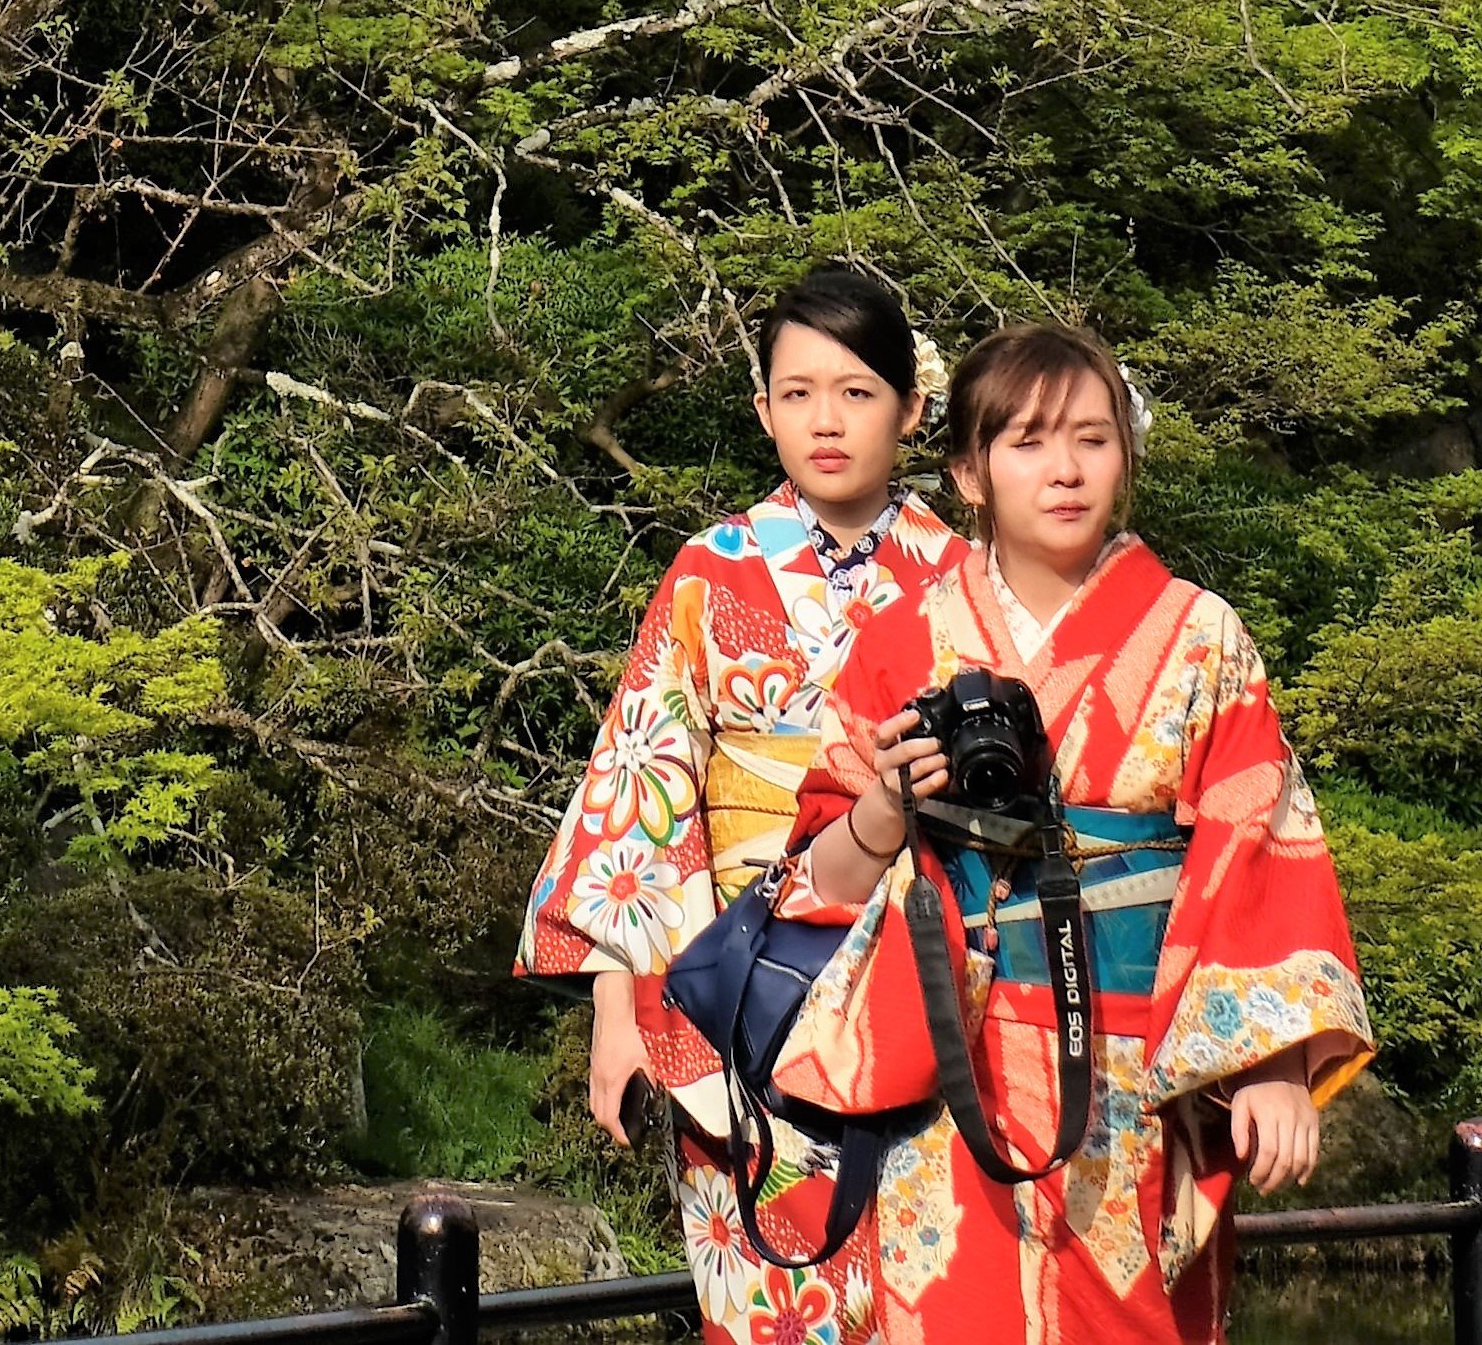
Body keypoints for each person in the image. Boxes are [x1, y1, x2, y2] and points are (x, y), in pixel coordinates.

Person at [778, 314, 1369, 1345]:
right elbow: (820, 877)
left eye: (1093, 439)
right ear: (969, 470)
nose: (1065, 470)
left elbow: (1260, 849)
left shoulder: (1199, 635)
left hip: (1140, 1065)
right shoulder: (904, 638)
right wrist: (882, 807)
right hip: (949, 1063)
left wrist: (1273, 1067)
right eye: (1030, 442)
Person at [522, 266, 956, 1345]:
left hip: (920, 980)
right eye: (798, 392)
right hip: (738, 988)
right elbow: (642, 795)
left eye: (858, 393)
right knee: (767, 1303)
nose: (826, 420)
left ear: (910, 407)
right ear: (762, 409)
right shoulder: (708, 574)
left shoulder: (963, 577)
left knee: (925, 1297)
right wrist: (615, 1019)